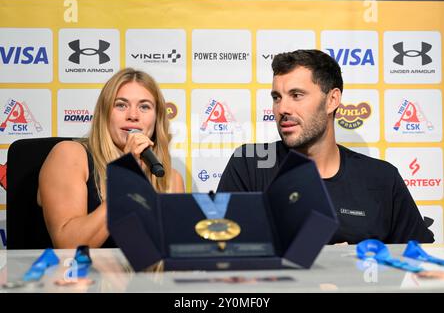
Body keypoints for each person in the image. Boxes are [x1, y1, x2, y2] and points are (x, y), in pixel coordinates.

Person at [217, 49, 434, 244]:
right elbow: (222, 252)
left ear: (332, 100)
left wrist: (357, 262)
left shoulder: (382, 178)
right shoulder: (248, 164)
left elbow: (418, 263)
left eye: (296, 95)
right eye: (277, 97)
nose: (282, 108)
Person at [37, 68, 185, 248]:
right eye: (121, 105)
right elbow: (68, 246)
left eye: (144, 106)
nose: (133, 115)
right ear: (105, 113)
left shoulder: (169, 178)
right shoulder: (69, 155)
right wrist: (126, 176)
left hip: (142, 276)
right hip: (80, 274)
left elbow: (174, 255)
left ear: (157, 118)